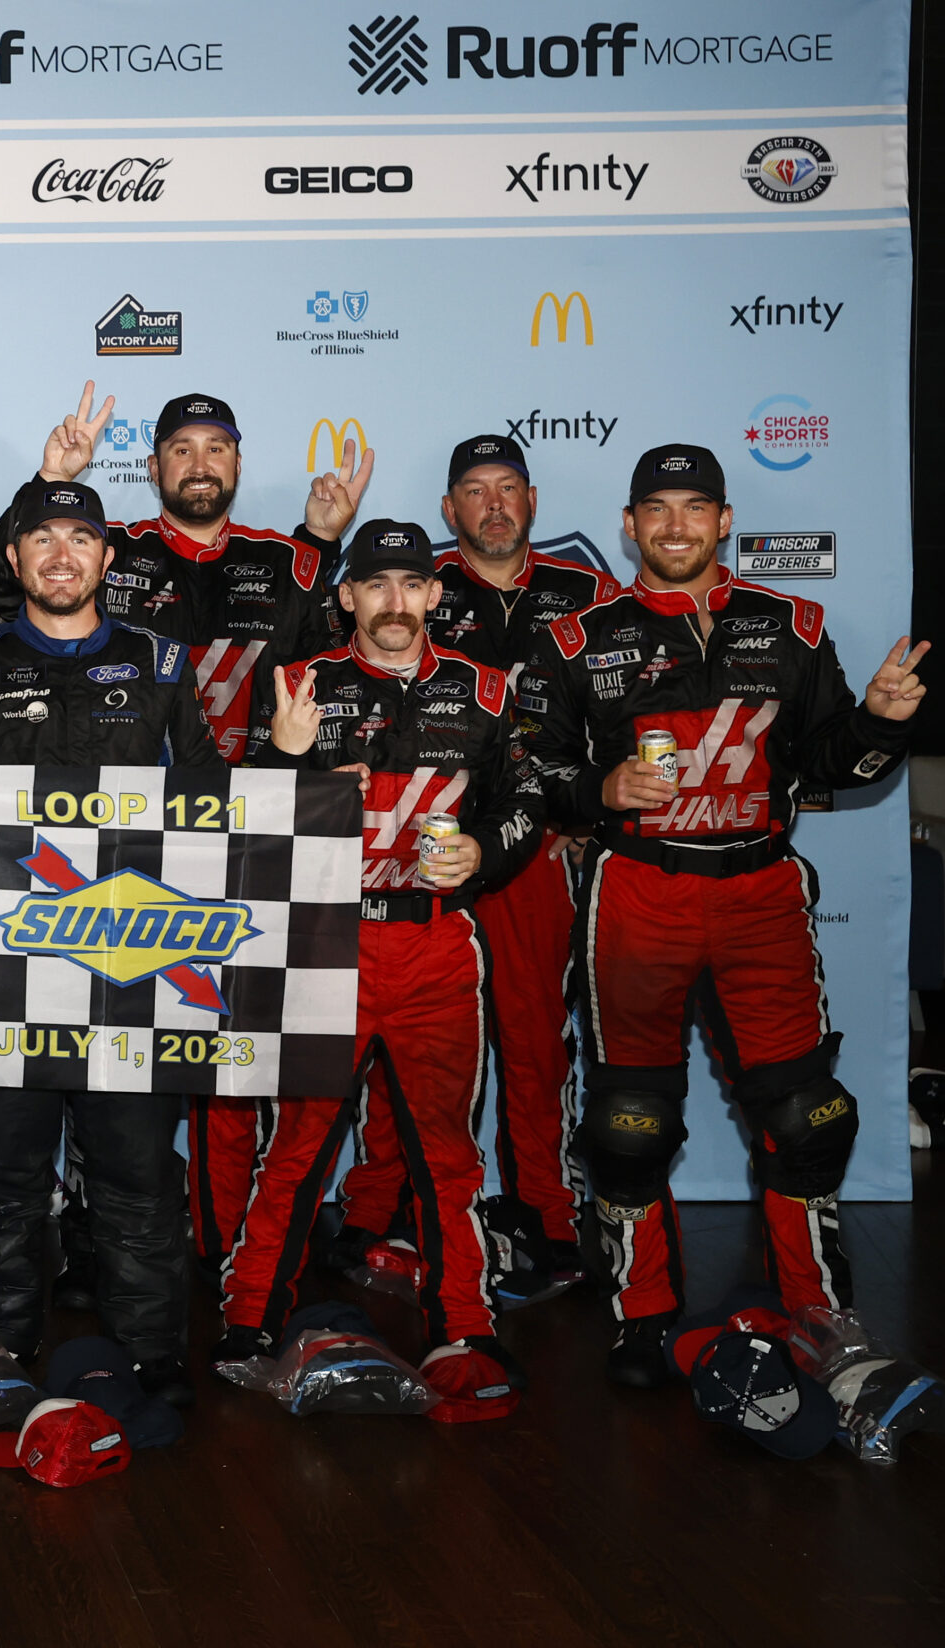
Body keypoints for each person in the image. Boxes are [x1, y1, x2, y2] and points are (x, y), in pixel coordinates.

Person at [517, 445, 927, 1386]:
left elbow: (834, 766)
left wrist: (882, 722)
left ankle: (821, 1315)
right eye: (656, 509)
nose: (674, 526)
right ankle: (643, 1314)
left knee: (808, 1116)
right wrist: (596, 785)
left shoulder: (792, 625)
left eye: (694, 508)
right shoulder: (578, 638)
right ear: (629, 525)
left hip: (761, 894)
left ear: (724, 520)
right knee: (630, 1125)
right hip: (640, 892)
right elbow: (530, 773)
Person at [0, 387, 369, 1296]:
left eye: (216, 449)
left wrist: (319, 549)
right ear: (152, 468)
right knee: (91, 1048)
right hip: (124, 842)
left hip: (253, 823)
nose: (200, 464)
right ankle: (94, 1246)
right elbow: (5, 597)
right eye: (180, 449)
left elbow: (329, 665)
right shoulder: (110, 550)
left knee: (220, 1056)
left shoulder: (287, 557)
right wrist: (52, 482)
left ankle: (222, 1260)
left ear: (238, 463)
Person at [0, 478, 216, 1405]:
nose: (62, 556)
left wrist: (296, 766)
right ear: (14, 559)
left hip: (134, 970)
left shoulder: (164, 663)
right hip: (8, 973)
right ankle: (0, 1361)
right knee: (3, 1183)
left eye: (80, 539)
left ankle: (152, 1366)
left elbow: (216, 815)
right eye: (42, 541)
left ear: (108, 558)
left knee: (139, 1184)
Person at [223, 519, 544, 1420]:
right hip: (325, 944)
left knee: (446, 1152)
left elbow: (527, 798)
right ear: (348, 598)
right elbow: (239, 825)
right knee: (297, 1146)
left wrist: (480, 850)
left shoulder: (484, 690)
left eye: (412, 585)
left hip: (436, 944)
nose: (395, 603)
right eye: (376, 586)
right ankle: (250, 1317)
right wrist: (287, 760)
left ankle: (465, 1323)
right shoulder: (298, 686)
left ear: (436, 595)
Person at [331, 434, 618, 1299]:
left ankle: (544, 1213)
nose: (493, 507)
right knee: (398, 1041)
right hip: (407, 848)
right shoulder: (415, 585)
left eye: (508, 490)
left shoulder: (585, 593)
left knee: (534, 1037)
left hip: (524, 849)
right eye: (473, 492)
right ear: (449, 510)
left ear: (532, 500)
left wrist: (578, 811)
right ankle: (382, 1205)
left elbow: (615, 709)